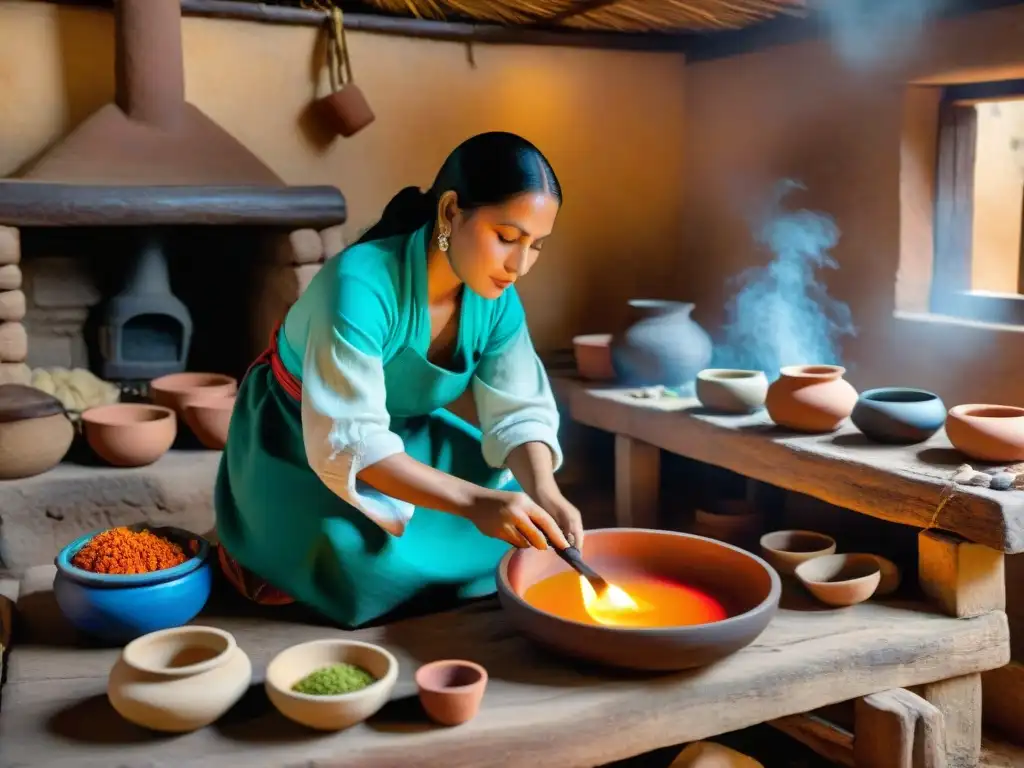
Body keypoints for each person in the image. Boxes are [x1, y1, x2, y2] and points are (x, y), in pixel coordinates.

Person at [215, 131, 584, 629]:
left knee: (519, 507)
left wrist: (546, 491)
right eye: (507, 237)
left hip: (402, 435)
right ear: (452, 211)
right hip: (302, 442)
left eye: (536, 245)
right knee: (358, 558)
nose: (519, 266)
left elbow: (518, 409)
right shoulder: (359, 286)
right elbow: (354, 441)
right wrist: (476, 504)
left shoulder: (496, 303)